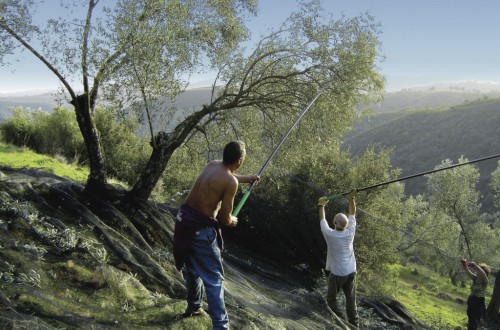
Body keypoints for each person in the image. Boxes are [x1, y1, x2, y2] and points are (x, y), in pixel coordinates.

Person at [173, 140, 259, 330]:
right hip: (200, 231)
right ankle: (221, 326)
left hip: (183, 223)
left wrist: (247, 179)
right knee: (214, 280)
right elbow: (224, 218)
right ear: (239, 161)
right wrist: (233, 220)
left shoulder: (212, 164)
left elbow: (226, 177)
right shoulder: (230, 182)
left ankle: (194, 306)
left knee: (193, 269)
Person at [317, 189, 359, 328]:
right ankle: (354, 325)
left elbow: (322, 220)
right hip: (351, 272)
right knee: (351, 300)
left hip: (338, 274)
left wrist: (321, 205)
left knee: (331, 301)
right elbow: (352, 213)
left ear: (334, 223)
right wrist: (352, 198)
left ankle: (343, 324)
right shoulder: (350, 232)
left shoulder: (330, 235)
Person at [461, 258, 490, 330]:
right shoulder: (474, 278)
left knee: (476, 320)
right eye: (477, 271)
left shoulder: (485, 282)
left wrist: (476, 266)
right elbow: (467, 270)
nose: (477, 272)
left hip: (479, 303)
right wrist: (464, 264)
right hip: (472, 300)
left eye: (478, 271)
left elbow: (483, 273)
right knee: (470, 318)